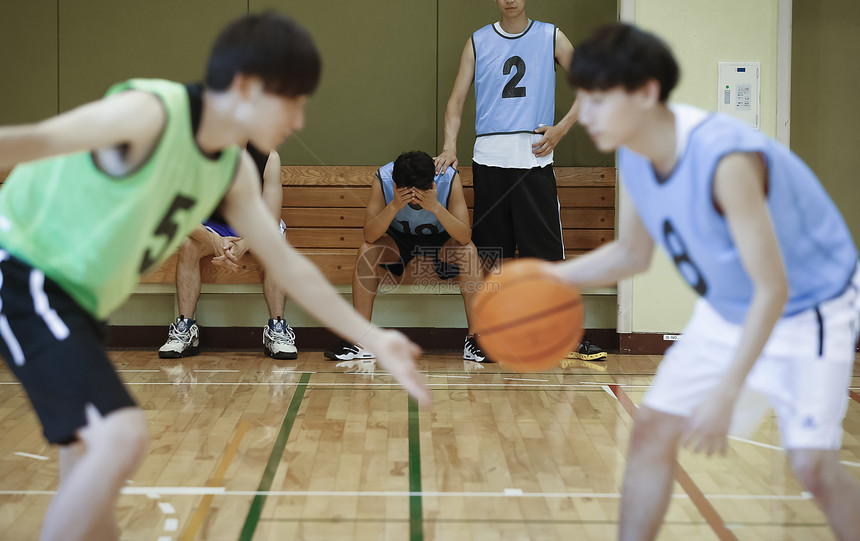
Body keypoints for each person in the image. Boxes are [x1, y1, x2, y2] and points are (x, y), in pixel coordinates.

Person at [0, 13, 429, 541]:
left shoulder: (230, 170)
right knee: (121, 437)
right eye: (290, 100)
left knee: (87, 467)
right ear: (246, 88)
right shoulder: (151, 113)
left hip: (77, 299)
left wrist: (372, 336)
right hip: (26, 271)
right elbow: (25, 143)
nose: (298, 119)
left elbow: (286, 261)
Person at [551, 22, 860, 541]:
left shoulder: (725, 160)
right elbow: (632, 254)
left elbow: (773, 289)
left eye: (599, 99)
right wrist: (549, 277)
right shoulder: (636, 149)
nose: (586, 114)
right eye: (582, 98)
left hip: (810, 309)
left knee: (812, 466)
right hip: (732, 305)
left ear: (647, 92)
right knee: (651, 431)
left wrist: (726, 389)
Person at [434, 0, 607, 361]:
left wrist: (561, 129)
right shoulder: (478, 41)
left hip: (533, 157)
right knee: (489, 255)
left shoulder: (551, 36)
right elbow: (456, 100)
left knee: (545, 256)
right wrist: (450, 145)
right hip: (489, 158)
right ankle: (486, 335)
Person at [324, 151, 486, 362]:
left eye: (421, 192)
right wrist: (394, 205)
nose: (415, 199)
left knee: (468, 251)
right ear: (395, 183)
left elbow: (464, 236)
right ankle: (360, 341)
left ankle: (475, 339)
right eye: (407, 192)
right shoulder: (382, 177)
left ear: (432, 182)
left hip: (442, 239)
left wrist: (435, 206)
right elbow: (370, 235)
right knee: (367, 250)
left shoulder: (448, 177)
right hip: (399, 240)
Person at [158, 141, 298, 360]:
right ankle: (185, 328)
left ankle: (277, 329)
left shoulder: (268, 157)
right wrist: (214, 240)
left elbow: (271, 220)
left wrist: (244, 244)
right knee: (188, 246)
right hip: (214, 225)